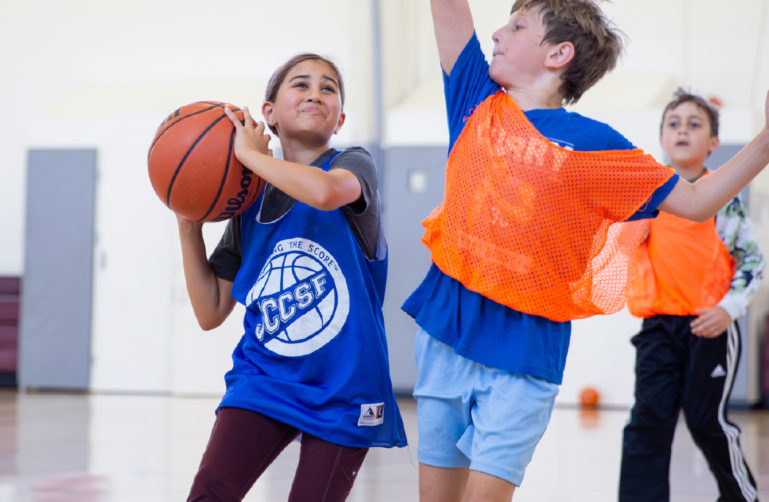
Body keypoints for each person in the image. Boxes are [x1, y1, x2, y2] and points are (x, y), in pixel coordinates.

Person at [403, 1, 769, 500]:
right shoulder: (475, 98)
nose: (497, 34)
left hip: (525, 355)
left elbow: (697, 201)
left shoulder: (596, 144)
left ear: (559, 53)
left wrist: (766, 143)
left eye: (516, 26)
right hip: (446, 334)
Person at [177, 53, 407, 502]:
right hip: (264, 377)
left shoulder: (354, 164)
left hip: (344, 383)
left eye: (328, 88)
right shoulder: (248, 205)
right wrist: (187, 222)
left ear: (340, 118)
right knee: (208, 494)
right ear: (269, 114)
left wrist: (246, 155)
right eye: (300, 85)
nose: (315, 94)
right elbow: (210, 311)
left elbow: (323, 193)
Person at [620, 89, 764, 502]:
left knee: (705, 421)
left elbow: (752, 262)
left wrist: (727, 309)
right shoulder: (647, 198)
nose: (682, 129)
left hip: (709, 327)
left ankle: (742, 496)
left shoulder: (724, 198)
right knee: (647, 420)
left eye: (694, 123)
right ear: (662, 139)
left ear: (713, 144)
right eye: (673, 123)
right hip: (657, 329)